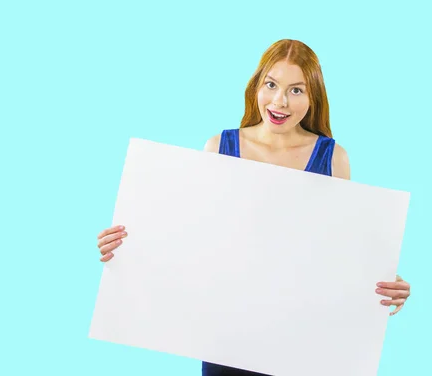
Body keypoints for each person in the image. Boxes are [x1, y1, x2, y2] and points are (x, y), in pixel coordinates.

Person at [95, 39, 412, 376]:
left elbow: (339, 253)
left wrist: (382, 284)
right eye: (271, 85)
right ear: (257, 86)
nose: (280, 101)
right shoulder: (220, 147)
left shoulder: (334, 159)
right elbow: (191, 240)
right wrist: (128, 248)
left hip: (301, 340)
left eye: (296, 90)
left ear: (313, 96)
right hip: (227, 340)